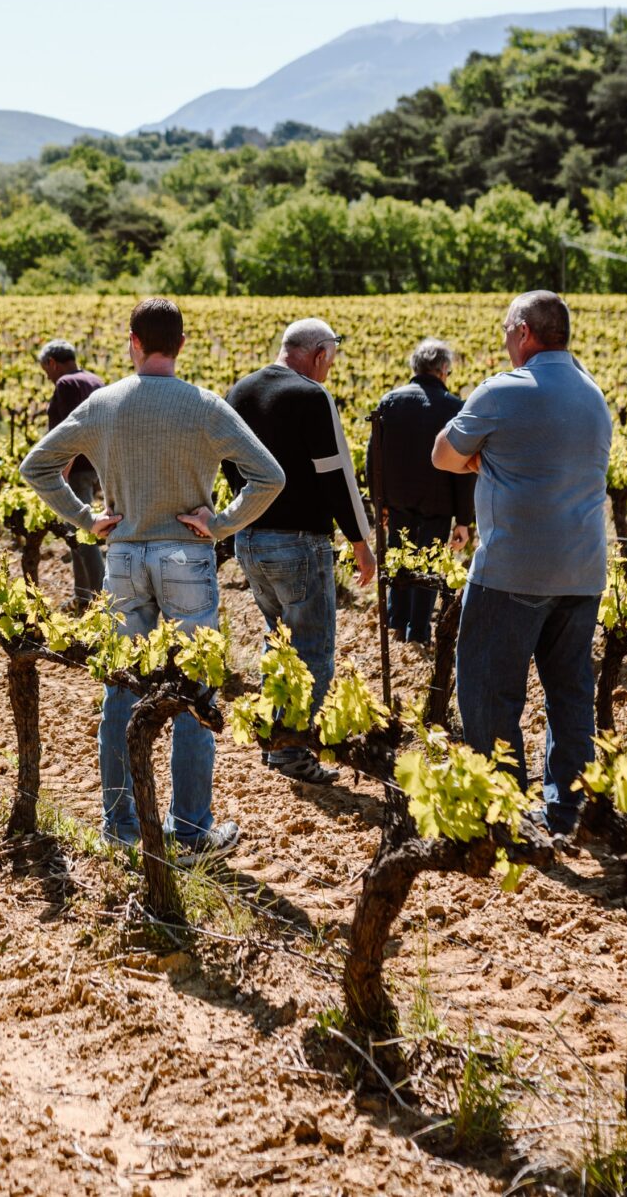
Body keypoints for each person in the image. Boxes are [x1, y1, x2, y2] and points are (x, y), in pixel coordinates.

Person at [23, 297, 284, 857]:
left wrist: (86, 518)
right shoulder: (206, 405)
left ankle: (118, 827)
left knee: (121, 689)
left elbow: (36, 466)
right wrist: (221, 523)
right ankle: (190, 831)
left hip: (121, 557)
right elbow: (270, 476)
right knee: (193, 691)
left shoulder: (103, 403)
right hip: (187, 556)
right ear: (182, 344)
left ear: (133, 343)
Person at [431, 291, 611, 839]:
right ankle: (566, 809)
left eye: (508, 329)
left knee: (489, 690)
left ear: (526, 332)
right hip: (582, 571)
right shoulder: (594, 393)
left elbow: (442, 454)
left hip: (512, 569)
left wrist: (487, 459)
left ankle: (501, 809)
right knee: (571, 692)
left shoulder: (504, 391)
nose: (504, 339)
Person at [226, 317, 378, 787]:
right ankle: (293, 752)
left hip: (249, 539)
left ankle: (278, 745)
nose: (329, 369)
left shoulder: (239, 392)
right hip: (300, 542)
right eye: (330, 360)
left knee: (279, 645)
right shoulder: (312, 396)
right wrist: (361, 542)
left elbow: (230, 464)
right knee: (312, 651)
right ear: (318, 355)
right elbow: (337, 474)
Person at [366, 338, 474, 644]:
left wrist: (379, 502)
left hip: (397, 502)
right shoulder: (455, 407)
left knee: (398, 560)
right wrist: (464, 520)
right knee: (428, 568)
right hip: (437, 505)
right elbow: (465, 473)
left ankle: (397, 626)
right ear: (442, 370)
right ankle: (418, 632)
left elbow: (373, 458)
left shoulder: (390, 401)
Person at [37, 340, 108, 607]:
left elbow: (69, 434)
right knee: (78, 532)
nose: (47, 375)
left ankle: (101, 597)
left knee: (82, 532)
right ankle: (83, 596)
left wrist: (61, 475)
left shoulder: (66, 384)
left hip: (75, 469)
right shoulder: (94, 380)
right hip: (95, 465)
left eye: (45, 368)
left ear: (51, 363)